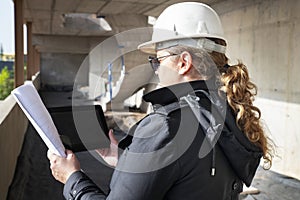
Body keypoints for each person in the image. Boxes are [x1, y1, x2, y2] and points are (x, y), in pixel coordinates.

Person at [47, 2, 274, 200]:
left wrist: (72, 179)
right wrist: (127, 160)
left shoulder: (165, 127)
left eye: (158, 61)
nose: (155, 70)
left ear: (183, 63)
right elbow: (188, 178)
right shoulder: (230, 113)